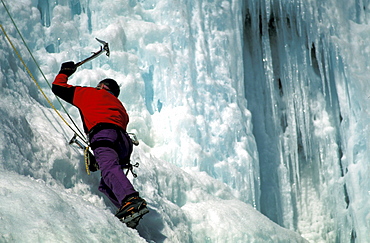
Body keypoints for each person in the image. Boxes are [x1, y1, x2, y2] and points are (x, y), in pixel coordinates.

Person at [52, 61, 148, 227]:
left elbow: (58, 87)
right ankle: (130, 211)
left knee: (109, 169)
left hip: (103, 135)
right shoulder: (120, 106)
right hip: (124, 142)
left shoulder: (89, 93)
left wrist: (65, 72)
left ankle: (130, 200)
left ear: (101, 86)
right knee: (107, 182)